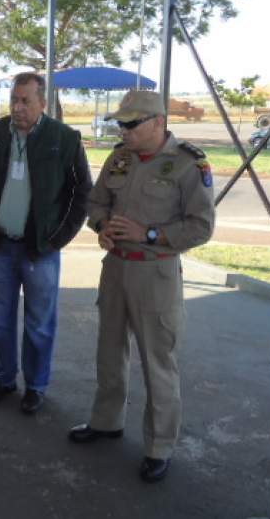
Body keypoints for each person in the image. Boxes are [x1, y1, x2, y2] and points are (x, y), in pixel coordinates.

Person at [67, 90, 215, 483]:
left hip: (156, 273)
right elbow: (95, 202)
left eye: (132, 124)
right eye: (121, 123)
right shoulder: (119, 158)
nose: (124, 130)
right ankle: (106, 421)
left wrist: (149, 233)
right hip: (115, 267)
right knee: (109, 351)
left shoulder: (188, 164)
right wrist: (102, 227)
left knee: (157, 362)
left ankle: (159, 446)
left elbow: (201, 227)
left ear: (158, 123)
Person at [0, 72, 91, 414]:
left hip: (40, 250)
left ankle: (35, 385)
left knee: (39, 324)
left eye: (25, 101)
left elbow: (82, 194)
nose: (17, 107)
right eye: (14, 100)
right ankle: (3, 379)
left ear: (43, 103)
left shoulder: (64, 138)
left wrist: (57, 238)